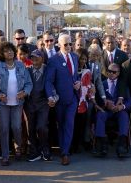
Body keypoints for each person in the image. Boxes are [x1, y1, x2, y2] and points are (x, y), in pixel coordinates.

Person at [0, 42, 32, 166]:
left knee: (17, 127)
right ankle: (5, 156)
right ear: (2, 53)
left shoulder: (20, 65)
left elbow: (29, 83)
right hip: (3, 103)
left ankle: (18, 148)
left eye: (11, 50)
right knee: (4, 128)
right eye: (6, 51)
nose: (10, 52)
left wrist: (24, 92)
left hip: (18, 103)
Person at [45, 34, 80, 165]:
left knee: (69, 124)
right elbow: (49, 81)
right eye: (66, 44)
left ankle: (65, 152)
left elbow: (75, 76)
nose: (69, 46)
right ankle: (63, 149)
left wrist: (78, 82)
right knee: (61, 125)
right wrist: (50, 96)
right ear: (59, 45)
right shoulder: (54, 60)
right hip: (59, 99)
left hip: (72, 99)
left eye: (71, 44)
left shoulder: (75, 57)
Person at [94, 63, 131, 158]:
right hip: (106, 111)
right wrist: (105, 104)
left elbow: (130, 102)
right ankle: (101, 144)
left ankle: (122, 144)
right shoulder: (102, 84)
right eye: (109, 71)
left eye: (114, 72)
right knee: (99, 115)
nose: (111, 73)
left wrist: (121, 106)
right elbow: (97, 100)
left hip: (118, 111)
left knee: (124, 115)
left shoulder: (123, 85)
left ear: (118, 73)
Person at [25, 50, 51, 162]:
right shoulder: (27, 70)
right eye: (32, 57)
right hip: (30, 103)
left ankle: (44, 148)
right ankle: (34, 151)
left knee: (42, 127)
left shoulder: (48, 70)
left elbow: (52, 85)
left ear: (42, 59)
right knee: (30, 128)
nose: (34, 60)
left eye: (37, 57)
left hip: (43, 103)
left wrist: (54, 97)